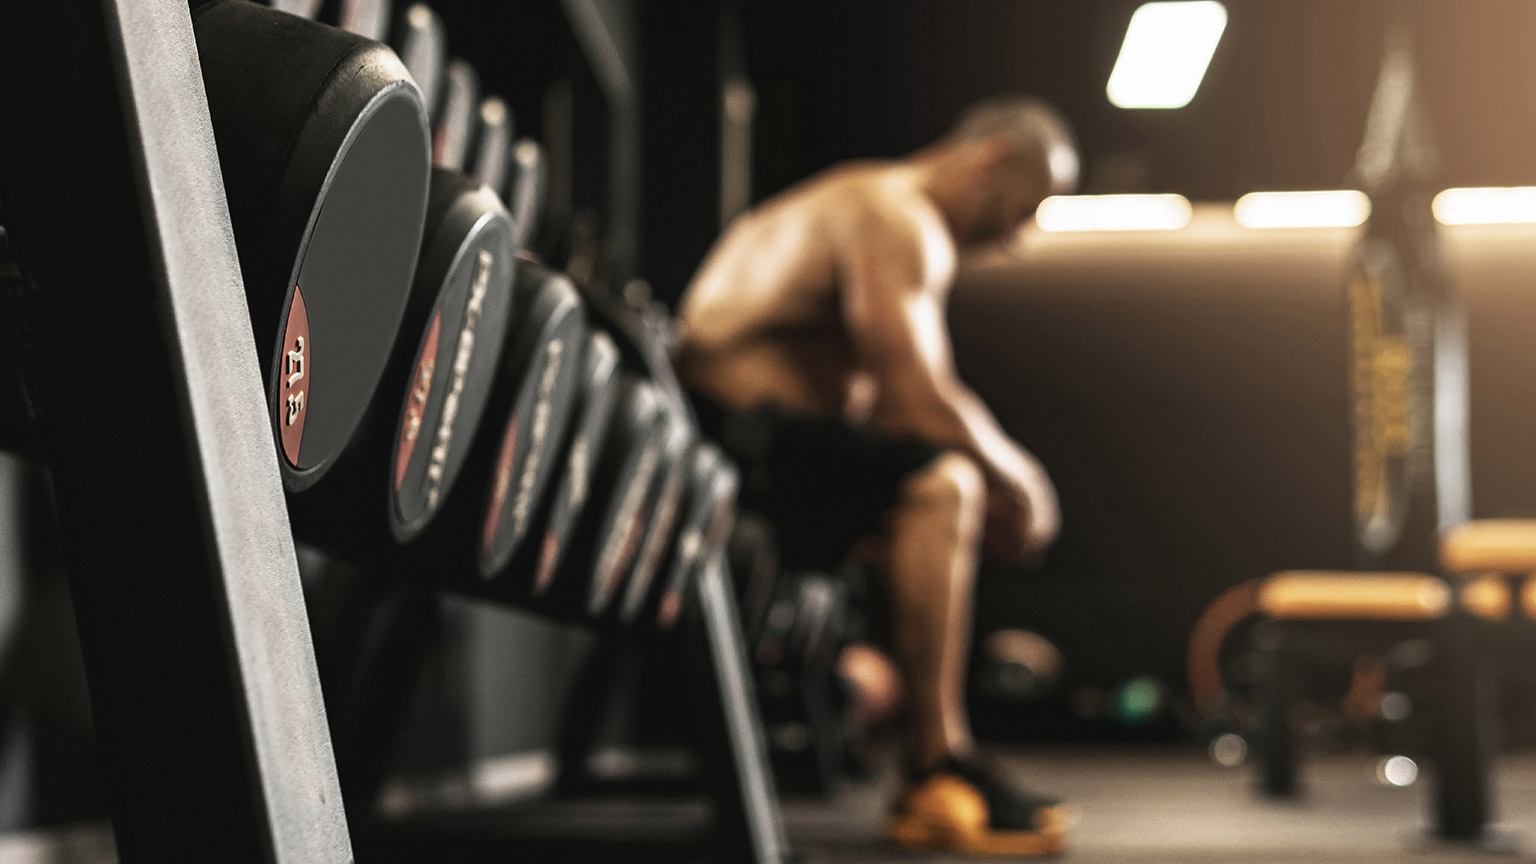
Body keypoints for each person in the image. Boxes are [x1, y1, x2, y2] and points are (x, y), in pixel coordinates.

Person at [677, 95, 1078, 857]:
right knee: (944, 485)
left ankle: (922, 744)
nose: (1016, 237)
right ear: (989, 160)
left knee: (926, 498)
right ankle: (935, 764)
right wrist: (1021, 479)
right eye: (1024, 208)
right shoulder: (896, 215)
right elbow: (915, 398)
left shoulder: (852, 197)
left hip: (738, 442)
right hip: (729, 443)